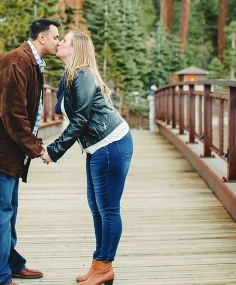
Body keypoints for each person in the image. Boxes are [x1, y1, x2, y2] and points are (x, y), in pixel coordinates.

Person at [0, 18, 61, 285]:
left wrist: (29, 147)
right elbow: (12, 114)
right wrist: (36, 148)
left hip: (10, 152)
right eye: (55, 37)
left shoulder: (30, 63)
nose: (58, 41)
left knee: (8, 210)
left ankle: (10, 263)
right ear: (41, 38)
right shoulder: (14, 62)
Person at [41, 30, 133, 285]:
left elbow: (80, 120)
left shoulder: (82, 76)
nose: (59, 43)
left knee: (108, 210)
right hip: (98, 147)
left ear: (76, 49)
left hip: (110, 145)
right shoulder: (72, 75)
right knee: (97, 209)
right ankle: (99, 265)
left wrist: (53, 151)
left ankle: (105, 267)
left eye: (65, 41)